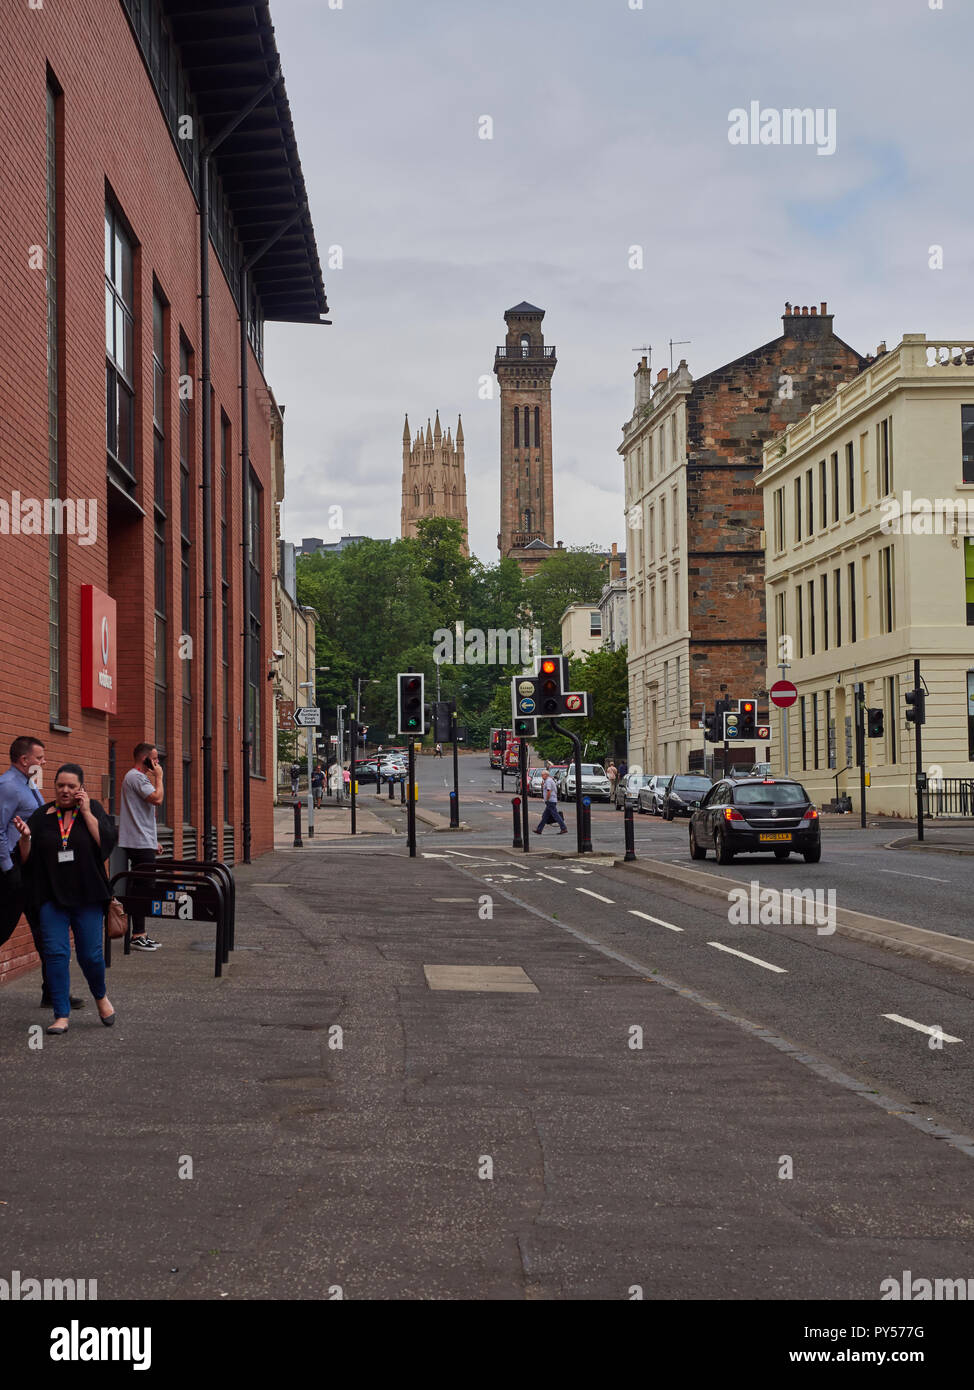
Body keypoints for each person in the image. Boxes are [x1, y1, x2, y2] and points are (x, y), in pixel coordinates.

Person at [15, 763, 117, 1035]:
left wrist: (85, 812)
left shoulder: (92, 810)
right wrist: (25, 838)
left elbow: (104, 846)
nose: (65, 790)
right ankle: (61, 1014)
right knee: (55, 955)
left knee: (91, 955)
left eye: (72, 786)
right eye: (61, 785)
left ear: (81, 788)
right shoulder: (41, 815)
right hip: (51, 897)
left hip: (88, 896)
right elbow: (26, 859)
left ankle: (101, 997)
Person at [0, 736, 86, 1009]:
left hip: (32, 870)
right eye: (39, 758)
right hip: (12, 872)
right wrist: (9, 869)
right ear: (24, 760)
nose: (44, 762)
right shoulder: (7, 786)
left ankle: (54, 993)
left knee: (45, 932)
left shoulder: (30, 783)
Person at [118, 742, 164, 952]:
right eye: (154, 758)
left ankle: (140, 933)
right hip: (137, 841)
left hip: (142, 839)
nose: (157, 762)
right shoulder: (135, 777)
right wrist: (160, 777)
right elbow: (156, 799)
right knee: (143, 886)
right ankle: (137, 935)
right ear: (144, 758)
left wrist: (152, 840)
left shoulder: (138, 777)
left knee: (143, 885)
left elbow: (141, 811)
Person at [534, 769, 568, 836]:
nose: (541, 776)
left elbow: (549, 791)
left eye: (542, 775)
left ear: (546, 775)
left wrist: (546, 799)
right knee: (545, 816)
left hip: (550, 801)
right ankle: (539, 830)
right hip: (551, 801)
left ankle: (563, 828)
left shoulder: (548, 781)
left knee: (555, 815)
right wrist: (542, 785)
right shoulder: (548, 781)